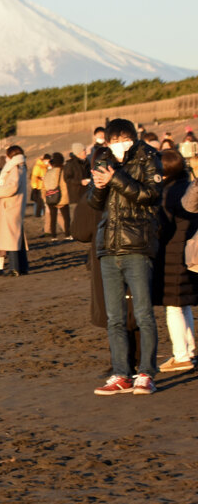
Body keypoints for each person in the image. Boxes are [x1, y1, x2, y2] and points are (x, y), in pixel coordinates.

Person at [89, 118, 163, 395]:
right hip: (109, 245)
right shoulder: (103, 158)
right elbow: (94, 203)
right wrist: (98, 186)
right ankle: (121, 373)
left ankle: (146, 373)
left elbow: (150, 195)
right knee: (115, 317)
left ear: (133, 137)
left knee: (144, 314)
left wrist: (116, 178)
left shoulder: (148, 157)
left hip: (137, 244)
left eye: (124, 139)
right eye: (114, 140)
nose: (119, 145)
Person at [155, 150, 198, 373]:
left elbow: (163, 227)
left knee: (173, 308)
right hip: (190, 253)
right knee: (185, 305)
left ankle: (181, 355)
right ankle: (189, 351)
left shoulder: (167, 192)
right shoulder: (189, 186)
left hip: (173, 254)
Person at [0, 146, 30, 276]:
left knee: (11, 239)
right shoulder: (21, 166)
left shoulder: (14, 168)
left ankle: (14, 268)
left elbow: (12, 187)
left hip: (11, 206)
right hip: (16, 205)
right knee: (18, 238)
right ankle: (23, 267)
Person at [43, 152, 72, 239]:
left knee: (53, 218)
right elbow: (64, 187)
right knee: (66, 217)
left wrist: (45, 197)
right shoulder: (62, 172)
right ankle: (67, 234)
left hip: (50, 197)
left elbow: (43, 187)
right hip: (61, 198)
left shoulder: (48, 172)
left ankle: (53, 236)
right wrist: (64, 199)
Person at [30, 154, 50, 220]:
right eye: (47, 160)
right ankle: (37, 215)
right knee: (39, 202)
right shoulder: (38, 166)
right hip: (38, 187)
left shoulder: (45, 166)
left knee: (42, 202)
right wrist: (34, 187)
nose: (48, 162)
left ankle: (42, 214)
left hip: (44, 186)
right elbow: (34, 177)